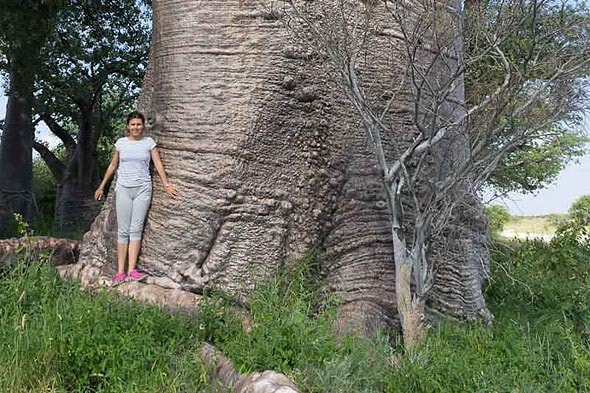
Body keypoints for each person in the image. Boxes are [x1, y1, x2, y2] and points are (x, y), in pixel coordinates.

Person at [94, 111, 178, 286]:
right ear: (128, 126)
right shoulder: (121, 143)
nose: (136, 127)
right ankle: (120, 273)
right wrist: (102, 185)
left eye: (138, 124)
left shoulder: (149, 143)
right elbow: (113, 165)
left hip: (143, 189)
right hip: (123, 189)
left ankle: (132, 270)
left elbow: (158, 164)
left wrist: (166, 184)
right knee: (123, 230)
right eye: (132, 124)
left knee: (136, 229)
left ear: (143, 126)